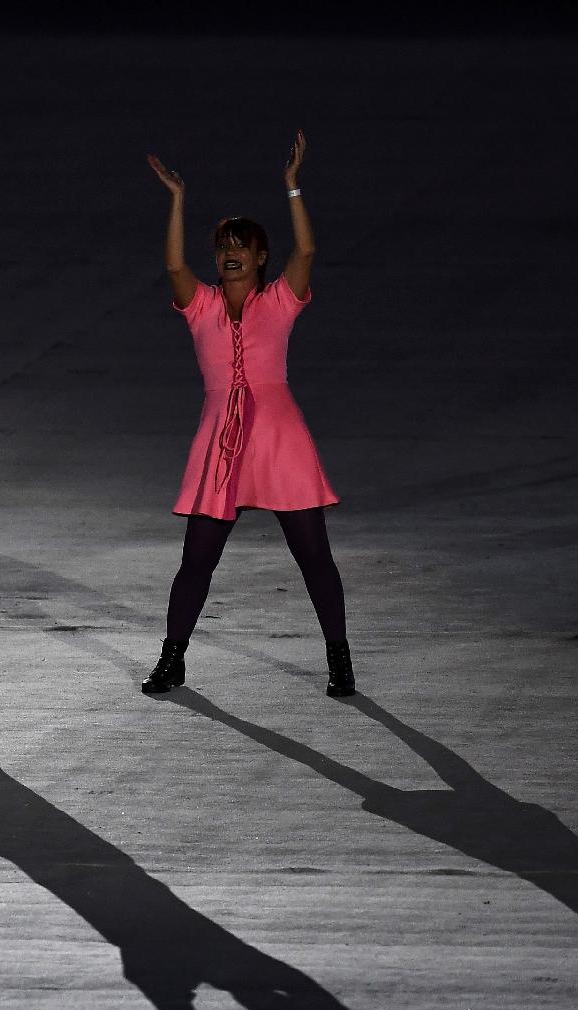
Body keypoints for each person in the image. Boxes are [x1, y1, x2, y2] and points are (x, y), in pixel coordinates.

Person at [140, 133, 352, 698]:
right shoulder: (202, 307)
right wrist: (178, 200)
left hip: (279, 439)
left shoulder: (280, 302)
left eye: (241, 246)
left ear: (259, 257)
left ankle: (339, 655)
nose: (229, 253)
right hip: (221, 443)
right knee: (197, 560)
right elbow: (173, 262)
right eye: (223, 247)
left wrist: (292, 186)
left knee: (313, 556)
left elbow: (305, 252)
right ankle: (172, 659)